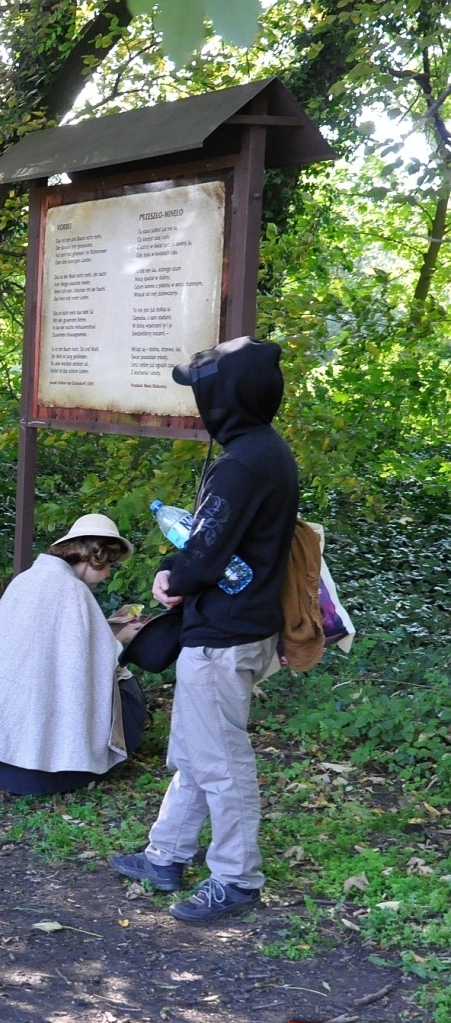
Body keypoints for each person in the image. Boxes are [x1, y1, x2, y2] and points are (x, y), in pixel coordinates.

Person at [109, 336, 299, 923]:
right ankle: (167, 853)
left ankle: (237, 879)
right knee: (196, 748)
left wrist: (170, 577)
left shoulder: (240, 464)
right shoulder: (266, 450)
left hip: (223, 635)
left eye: (204, 391)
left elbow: (203, 554)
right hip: (237, 626)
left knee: (219, 759)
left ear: (226, 398)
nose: (199, 404)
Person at [0, 514, 148, 796]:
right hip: (51, 775)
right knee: (126, 685)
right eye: (109, 565)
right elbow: (98, 665)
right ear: (95, 557)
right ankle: (69, 760)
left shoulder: (27, 579)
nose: (108, 574)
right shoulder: (73, 591)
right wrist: (122, 638)